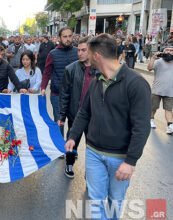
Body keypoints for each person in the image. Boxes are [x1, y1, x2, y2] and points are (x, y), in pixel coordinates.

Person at [64, 34, 151, 220]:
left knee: (115, 201)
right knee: (95, 200)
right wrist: (72, 136)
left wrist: (131, 161)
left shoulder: (136, 84)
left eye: (87, 52)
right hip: (94, 152)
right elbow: (84, 112)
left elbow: (141, 127)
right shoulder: (96, 81)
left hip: (120, 158)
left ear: (96, 56)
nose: (84, 56)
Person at [58, 37, 98, 179]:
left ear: (92, 51)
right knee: (72, 140)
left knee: (92, 147)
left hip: (95, 116)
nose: (79, 53)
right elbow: (65, 94)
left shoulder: (100, 68)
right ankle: (69, 163)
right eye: (78, 50)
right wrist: (62, 116)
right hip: (76, 114)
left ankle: (91, 172)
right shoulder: (70, 69)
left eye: (83, 50)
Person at [41, 27, 79, 137]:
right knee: (58, 123)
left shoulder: (78, 52)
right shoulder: (52, 54)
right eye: (65, 36)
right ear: (59, 38)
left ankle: (71, 150)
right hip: (57, 95)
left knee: (74, 124)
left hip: (74, 95)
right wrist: (43, 87)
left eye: (70, 36)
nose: (68, 39)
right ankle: (60, 150)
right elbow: (47, 72)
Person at [147, 43, 173, 134]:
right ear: (163, 51)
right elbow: (149, 68)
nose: (169, 52)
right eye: (167, 50)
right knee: (153, 107)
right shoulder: (159, 61)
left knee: (168, 109)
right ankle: (151, 120)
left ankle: (170, 126)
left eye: (171, 50)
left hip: (170, 91)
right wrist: (153, 58)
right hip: (157, 90)